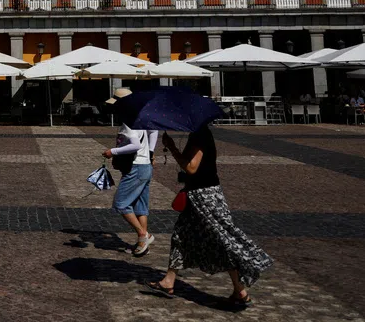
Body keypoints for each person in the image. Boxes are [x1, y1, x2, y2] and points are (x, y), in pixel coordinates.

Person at [145, 127, 272, 308]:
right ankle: (168, 281)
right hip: (196, 194)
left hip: (206, 196)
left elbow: (191, 167)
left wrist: (172, 148)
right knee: (181, 235)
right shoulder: (196, 134)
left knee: (223, 240)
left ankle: (242, 286)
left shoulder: (200, 134)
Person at [103, 89, 158, 257]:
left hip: (136, 168)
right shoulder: (141, 118)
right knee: (141, 206)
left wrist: (112, 151)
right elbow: (154, 131)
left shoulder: (128, 122)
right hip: (145, 166)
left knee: (120, 203)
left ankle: (144, 235)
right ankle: (142, 244)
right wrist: (150, 153)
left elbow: (135, 145)